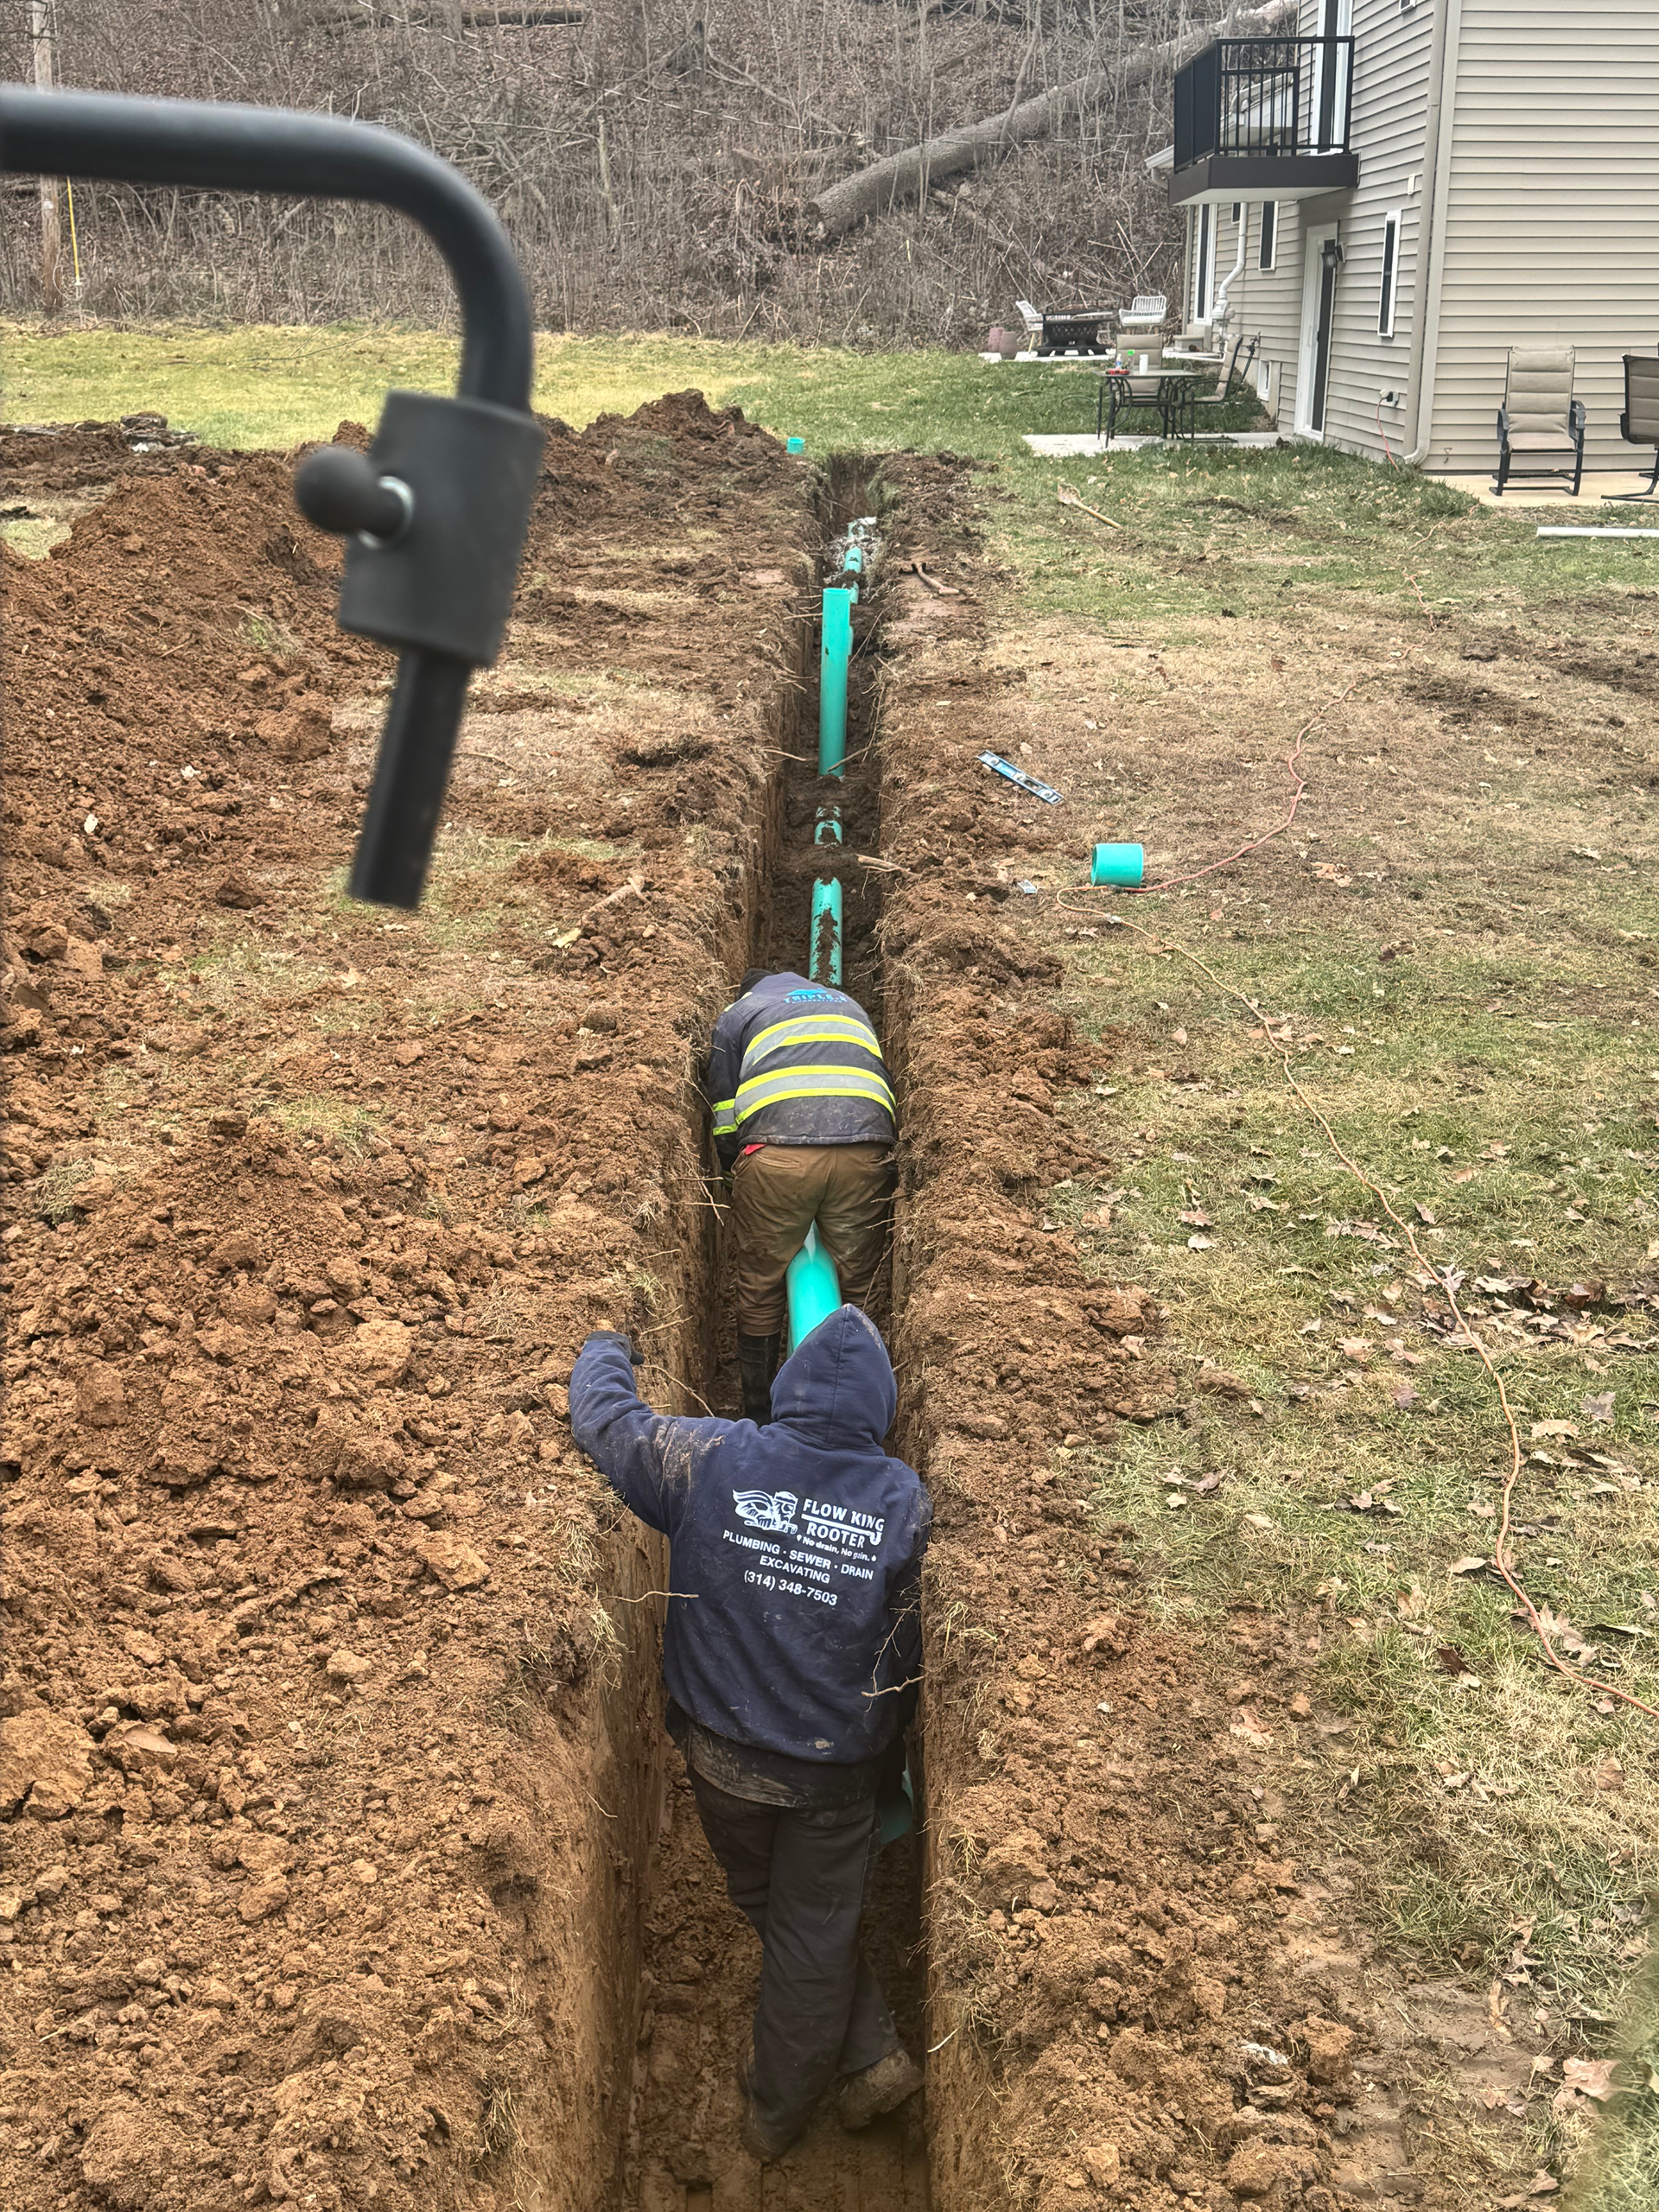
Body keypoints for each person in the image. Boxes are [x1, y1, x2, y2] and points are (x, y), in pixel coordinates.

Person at [569, 1304, 930, 2160]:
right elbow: (915, 1651)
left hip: (722, 1757)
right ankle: (832, 2074)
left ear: (788, 1390)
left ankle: (807, 2090)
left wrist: (603, 1347)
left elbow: (608, 1423)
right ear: (883, 1410)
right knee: (811, 1925)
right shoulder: (904, 1504)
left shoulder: (715, 1457)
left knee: (770, 1900)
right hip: (832, 1776)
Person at [707, 968, 897, 1424]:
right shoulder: (849, 1006)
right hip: (867, 1151)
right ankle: (857, 1409)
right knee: (858, 1284)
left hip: (777, 1158)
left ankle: (759, 1412)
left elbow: (724, 1109)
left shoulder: (740, 1013)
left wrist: (739, 1178)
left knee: (761, 1283)